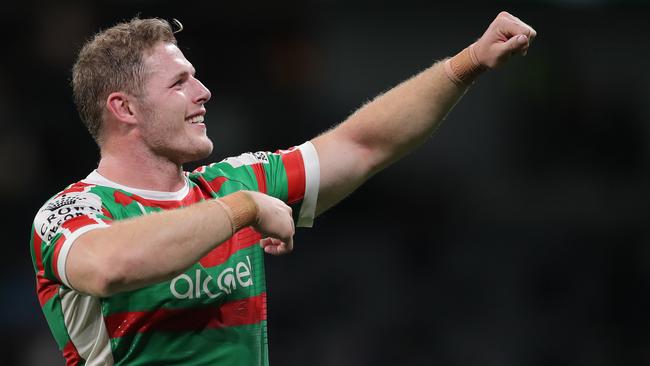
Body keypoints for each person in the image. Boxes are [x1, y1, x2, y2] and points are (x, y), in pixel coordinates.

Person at [29, 11, 536, 365]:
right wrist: (243, 209)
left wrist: (467, 63)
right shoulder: (71, 211)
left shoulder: (236, 180)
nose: (203, 93)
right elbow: (109, 268)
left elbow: (363, 144)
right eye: (179, 82)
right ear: (125, 109)